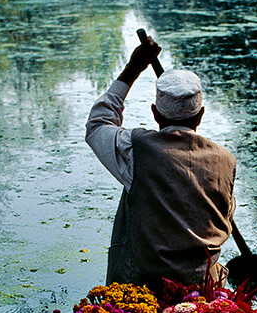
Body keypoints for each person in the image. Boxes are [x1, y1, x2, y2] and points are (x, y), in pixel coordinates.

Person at [85, 34, 236, 293]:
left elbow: (98, 123)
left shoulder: (135, 149)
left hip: (140, 289)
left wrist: (134, 67)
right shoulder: (226, 161)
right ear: (201, 114)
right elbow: (226, 216)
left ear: (155, 113)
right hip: (204, 287)